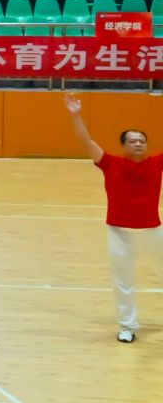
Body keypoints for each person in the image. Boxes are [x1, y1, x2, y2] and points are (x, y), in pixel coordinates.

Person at [65, 94, 163, 342]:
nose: (138, 144)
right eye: (133, 141)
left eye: (142, 141)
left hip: (152, 230)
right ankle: (128, 327)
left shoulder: (156, 163)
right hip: (119, 231)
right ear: (124, 145)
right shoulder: (110, 163)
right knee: (123, 281)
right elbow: (86, 141)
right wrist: (75, 115)